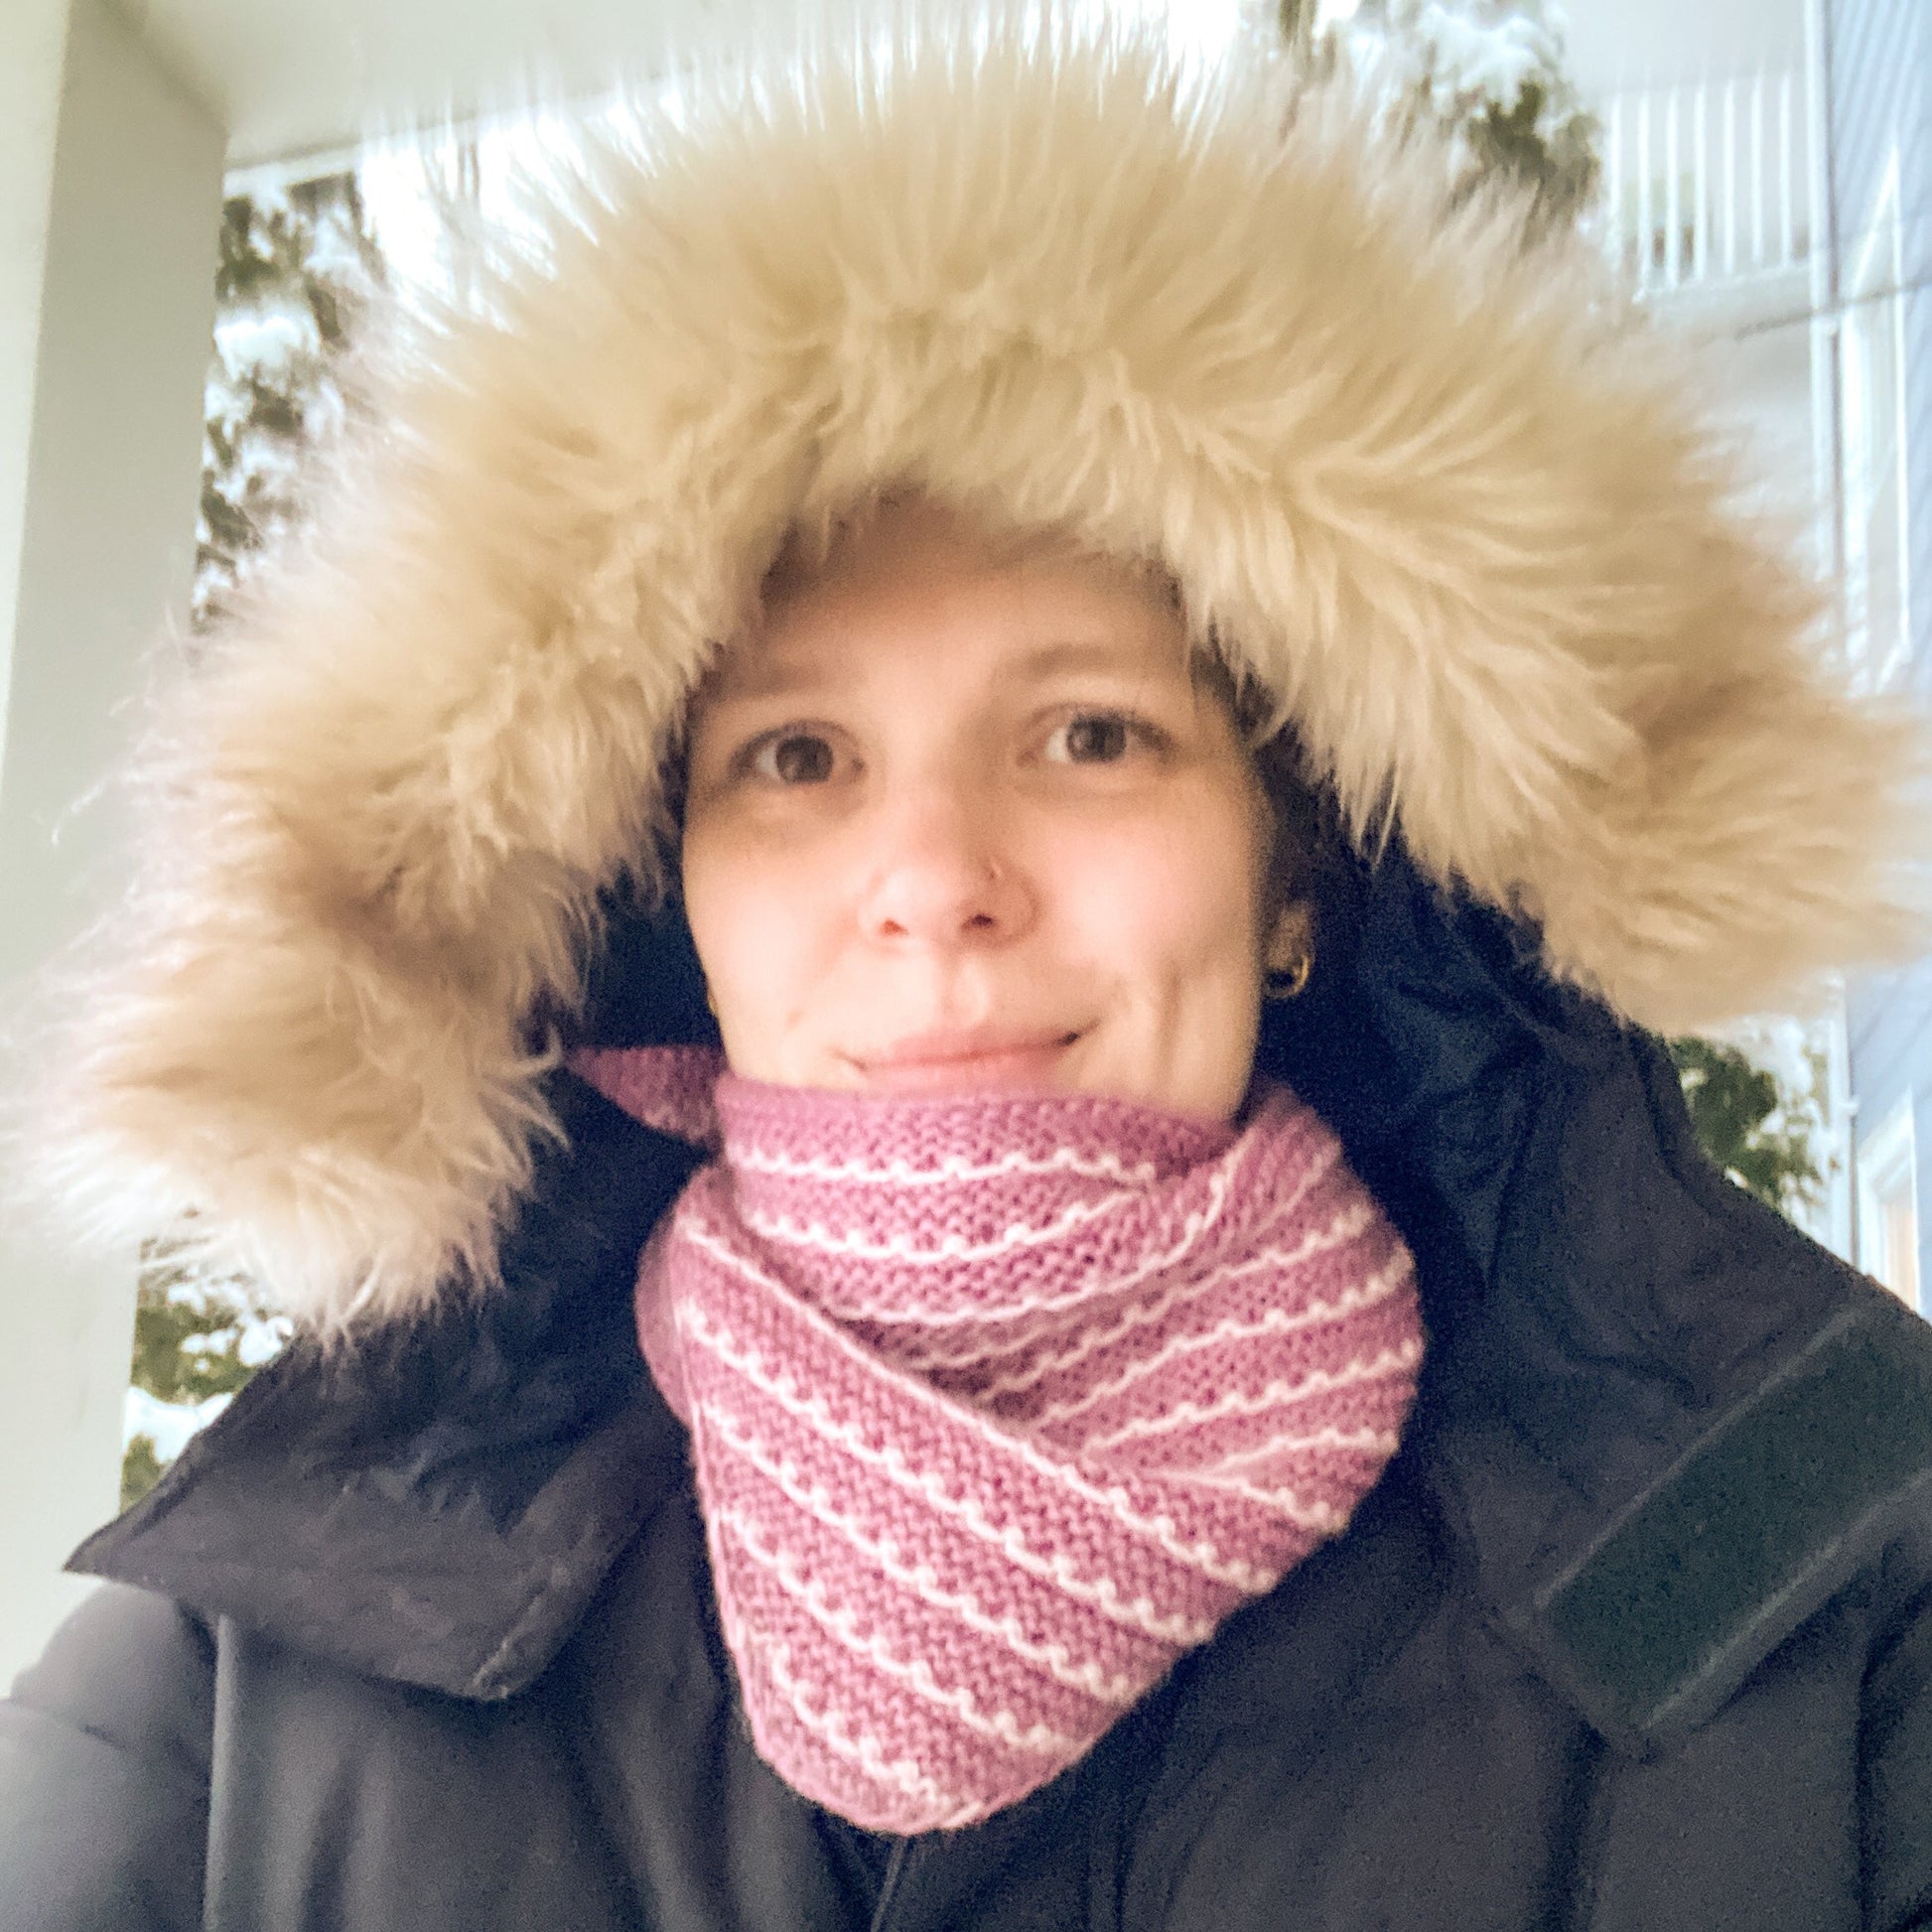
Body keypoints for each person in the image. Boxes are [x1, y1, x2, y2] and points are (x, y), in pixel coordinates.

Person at [4, 15, 1931, 1931]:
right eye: (796, 756)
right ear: (667, 899)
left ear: (1294, 872)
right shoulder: (257, 1649)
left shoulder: (1831, 1590)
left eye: (1091, 735)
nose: (932, 881)